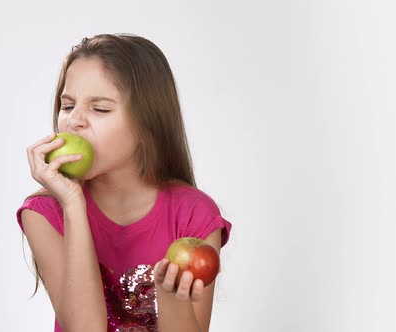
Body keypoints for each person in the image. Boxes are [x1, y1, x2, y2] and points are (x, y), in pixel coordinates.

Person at [16, 33, 233, 332]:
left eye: (100, 108)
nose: (75, 120)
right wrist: (73, 204)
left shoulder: (194, 215)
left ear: (147, 123)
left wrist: (172, 299)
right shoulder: (44, 212)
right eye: (67, 106)